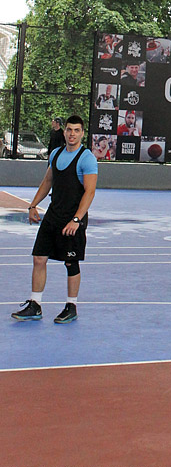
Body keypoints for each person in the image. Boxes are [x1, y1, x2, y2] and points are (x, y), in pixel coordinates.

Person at [11, 115, 98, 324]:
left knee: (71, 262)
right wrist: (32, 205)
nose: (72, 134)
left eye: (77, 130)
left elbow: (90, 192)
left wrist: (76, 220)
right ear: (64, 131)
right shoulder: (56, 154)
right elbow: (47, 181)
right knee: (39, 258)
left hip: (73, 219)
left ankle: (71, 306)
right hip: (53, 215)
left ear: (82, 133)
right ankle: (35, 304)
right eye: (69, 130)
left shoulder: (87, 158)